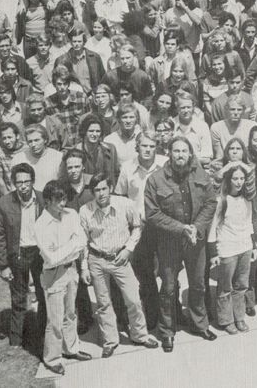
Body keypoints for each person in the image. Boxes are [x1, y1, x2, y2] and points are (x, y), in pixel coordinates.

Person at [144, 137, 218, 352]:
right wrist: (181, 228)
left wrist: (196, 227)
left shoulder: (201, 174)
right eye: (176, 151)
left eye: (184, 151)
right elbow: (152, 214)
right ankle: (167, 331)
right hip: (168, 242)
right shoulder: (156, 180)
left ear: (190, 153)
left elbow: (211, 202)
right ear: (169, 153)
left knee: (197, 285)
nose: (180, 155)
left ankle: (199, 324)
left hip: (196, 240)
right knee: (168, 288)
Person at [78, 173, 159, 357]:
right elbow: (83, 241)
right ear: (92, 192)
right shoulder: (85, 210)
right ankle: (110, 340)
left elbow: (137, 227)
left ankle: (140, 335)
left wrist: (128, 249)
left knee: (133, 299)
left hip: (120, 258)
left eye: (104, 188)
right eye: (97, 190)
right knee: (103, 303)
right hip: (96, 260)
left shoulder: (125, 204)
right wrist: (84, 267)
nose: (101, 193)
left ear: (111, 187)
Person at [33, 180, 92, 375]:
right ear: (47, 201)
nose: (63, 204)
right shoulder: (40, 225)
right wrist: (72, 246)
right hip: (53, 275)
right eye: (58, 200)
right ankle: (52, 358)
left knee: (70, 313)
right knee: (55, 320)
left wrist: (68, 249)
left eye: (65, 199)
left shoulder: (71, 214)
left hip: (71, 270)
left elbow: (83, 241)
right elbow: (51, 258)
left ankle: (71, 349)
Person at [113, 130, 166, 330]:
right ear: (137, 147)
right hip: (140, 227)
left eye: (152, 146)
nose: (148, 150)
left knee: (169, 272)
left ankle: (172, 313)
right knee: (145, 274)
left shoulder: (164, 164)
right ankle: (151, 316)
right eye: (144, 145)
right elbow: (119, 197)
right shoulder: (127, 168)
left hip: (163, 225)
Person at [0, 163, 48, 350]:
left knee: (44, 295)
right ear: (14, 184)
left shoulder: (43, 199)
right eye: (19, 182)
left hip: (40, 254)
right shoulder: (4, 204)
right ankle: (16, 340)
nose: (24, 186)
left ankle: (43, 333)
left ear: (33, 181)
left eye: (27, 181)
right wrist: (3, 265)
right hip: (18, 255)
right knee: (19, 299)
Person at [208, 162, 256, 334]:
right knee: (225, 287)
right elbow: (213, 226)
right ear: (229, 180)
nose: (239, 182)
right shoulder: (221, 200)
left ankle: (239, 317)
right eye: (235, 178)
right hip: (227, 249)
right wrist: (213, 252)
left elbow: (249, 223)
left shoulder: (247, 199)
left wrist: (254, 245)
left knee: (241, 285)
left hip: (245, 247)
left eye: (242, 178)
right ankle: (226, 320)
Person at [13, 124, 63, 192]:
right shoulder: (18, 159)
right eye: (30, 141)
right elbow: (14, 186)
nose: (33, 145)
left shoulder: (58, 157)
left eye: (36, 140)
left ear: (45, 139)